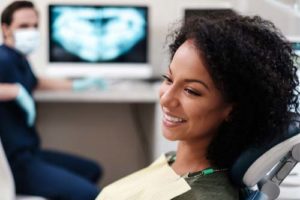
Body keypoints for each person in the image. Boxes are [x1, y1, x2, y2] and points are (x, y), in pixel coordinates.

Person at [95, 14, 299, 200]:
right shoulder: (174, 161)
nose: (166, 99)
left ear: (234, 109)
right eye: (168, 79)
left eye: (191, 91)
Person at [0, 1, 106, 199]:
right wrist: (14, 91)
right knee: (91, 194)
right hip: (16, 164)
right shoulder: (3, 59)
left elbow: (36, 81)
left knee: (93, 170)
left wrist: (77, 84)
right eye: (23, 26)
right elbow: (18, 86)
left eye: (34, 26)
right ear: (5, 28)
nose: (31, 31)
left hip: (31, 153)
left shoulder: (20, 59)